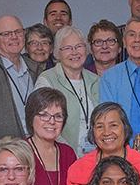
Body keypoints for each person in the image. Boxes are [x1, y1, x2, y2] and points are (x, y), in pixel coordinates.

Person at [36, 25, 101, 155]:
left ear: (87, 49)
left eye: (79, 46)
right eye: (67, 48)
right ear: (57, 52)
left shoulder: (95, 80)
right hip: (61, 155)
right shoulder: (47, 80)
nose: (74, 52)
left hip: (95, 157)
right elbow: (42, 124)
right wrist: (68, 152)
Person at [23, 88, 77, 185]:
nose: (51, 121)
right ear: (31, 118)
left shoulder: (68, 154)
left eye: (57, 116)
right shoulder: (20, 152)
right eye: (44, 115)